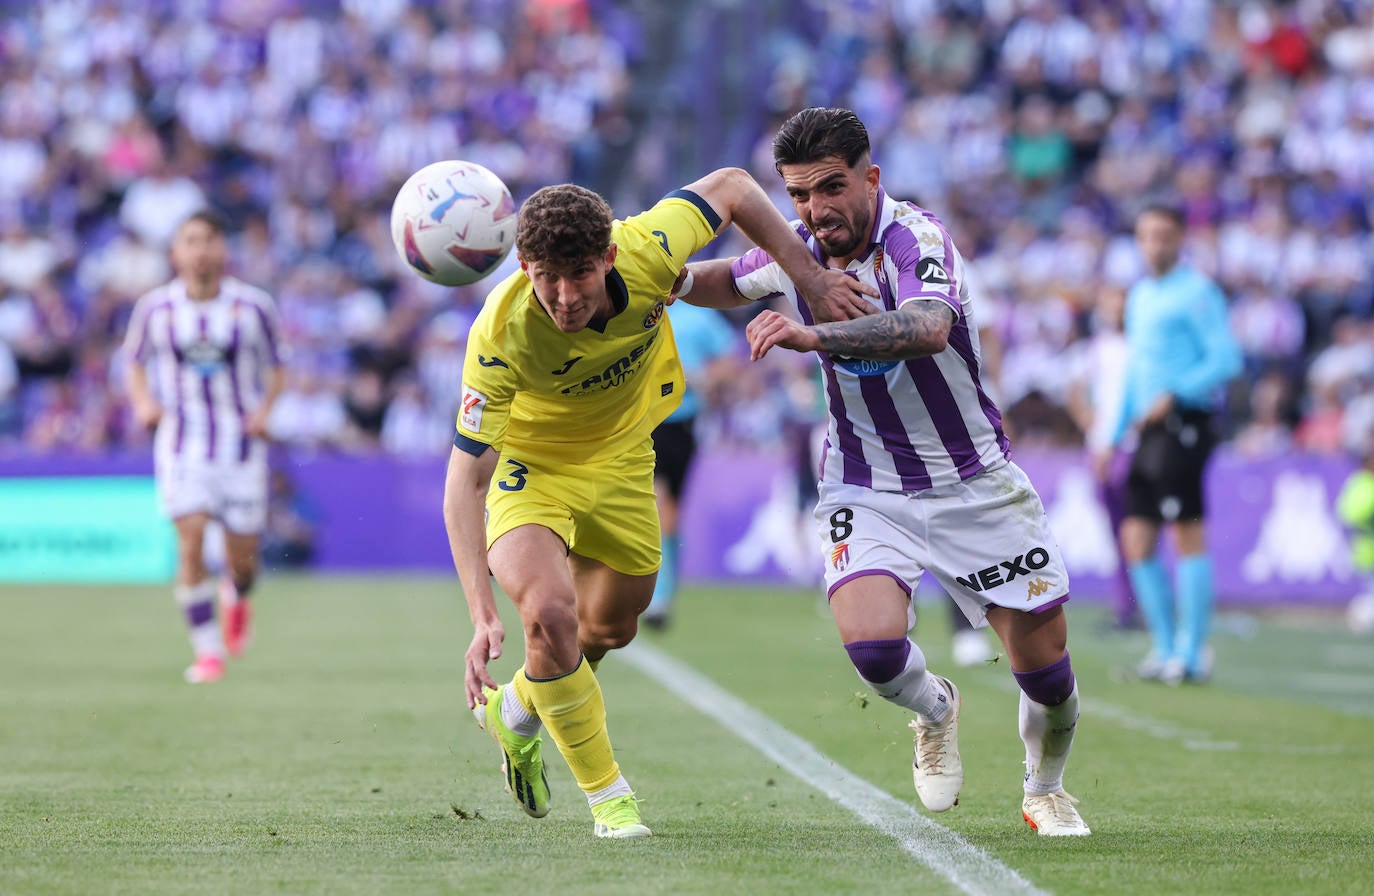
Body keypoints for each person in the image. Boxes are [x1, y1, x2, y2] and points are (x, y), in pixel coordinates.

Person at [682, 107, 1090, 836]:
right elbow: (721, 279)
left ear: (870, 177)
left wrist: (815, 334)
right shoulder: (799, 247)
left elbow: (928, 328)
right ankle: (936, 709)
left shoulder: (917, 238)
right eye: (799, 195)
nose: (815, 210)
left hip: (973, 483)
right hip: (865, 485)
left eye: (831, 188)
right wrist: (650, 274)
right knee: (872, 649)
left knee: (1047, 676)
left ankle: (1045, 787)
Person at [445, 168, 875, 839]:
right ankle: (611, 800)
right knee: (549, 614)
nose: (563, 297)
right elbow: (465, 480)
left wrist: (811, 280)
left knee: (607, 631)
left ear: (609, 256)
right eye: (546, 277)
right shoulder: (500, 333)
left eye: (580, 274)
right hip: (534, 473)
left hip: (624, 464)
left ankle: (518, 711)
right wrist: (479, 614)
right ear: (524, 265)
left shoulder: (649, 246)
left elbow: (733, 186)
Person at [122, 209, 285, 683]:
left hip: (240, 447)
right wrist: (142, 402)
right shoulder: (156, 309)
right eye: (190, 241)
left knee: (243, 561)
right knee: (189, 541)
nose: (200, 250)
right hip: (181, 444)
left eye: (208, 239)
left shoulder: (252, 307)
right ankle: (208, 651)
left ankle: (237, 593)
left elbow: (278, 365)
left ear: (222, 249)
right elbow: (133, 362)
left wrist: (265, 410)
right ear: (175, 253)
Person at [1102, 205, 1242, 685]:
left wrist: (1177, 392)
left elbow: (1226, 359)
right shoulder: (1140, 295)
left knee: (1186, 532)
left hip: (1186, 422)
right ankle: (1163, 649)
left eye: (1163, 236)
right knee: (1136, 539)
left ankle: (1192, 651)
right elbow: (1134, 371)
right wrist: (1111, 432)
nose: (1154, 245)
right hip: (1149, 431)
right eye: (1146, 236)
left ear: (1180, 238)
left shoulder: (1198, 292)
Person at [643, 300, 738, 629]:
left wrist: (701, 378)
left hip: (682, 423)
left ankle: (663, 592)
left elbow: (728, 364)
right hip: (642, 422)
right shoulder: (639, 308)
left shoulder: (700, 315)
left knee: (671, 512)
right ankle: (656, 596)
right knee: (657, 503)